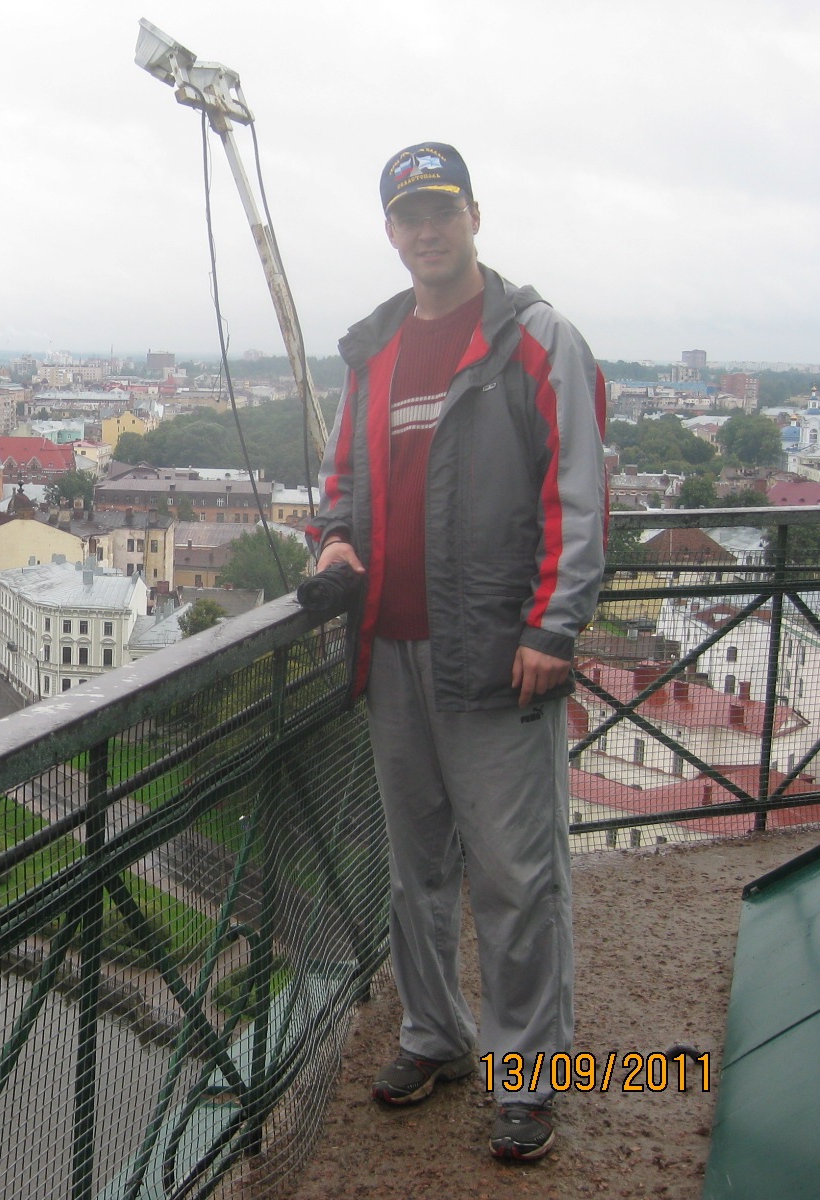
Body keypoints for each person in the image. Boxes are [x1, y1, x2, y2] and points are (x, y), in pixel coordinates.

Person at [308, 142, 606, 1162]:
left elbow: (576, 494)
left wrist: (552, 626)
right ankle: (434, 1033)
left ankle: (530, 1077)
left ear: (474, 215)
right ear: (390, 231)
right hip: (391, 653)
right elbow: (342, 481)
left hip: (497, 656)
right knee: (415, 870)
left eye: (442, 210)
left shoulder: (536, 338)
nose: (426, 230)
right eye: (409, 215)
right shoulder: (375, 350)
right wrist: (334, 539)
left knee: (518, 877)